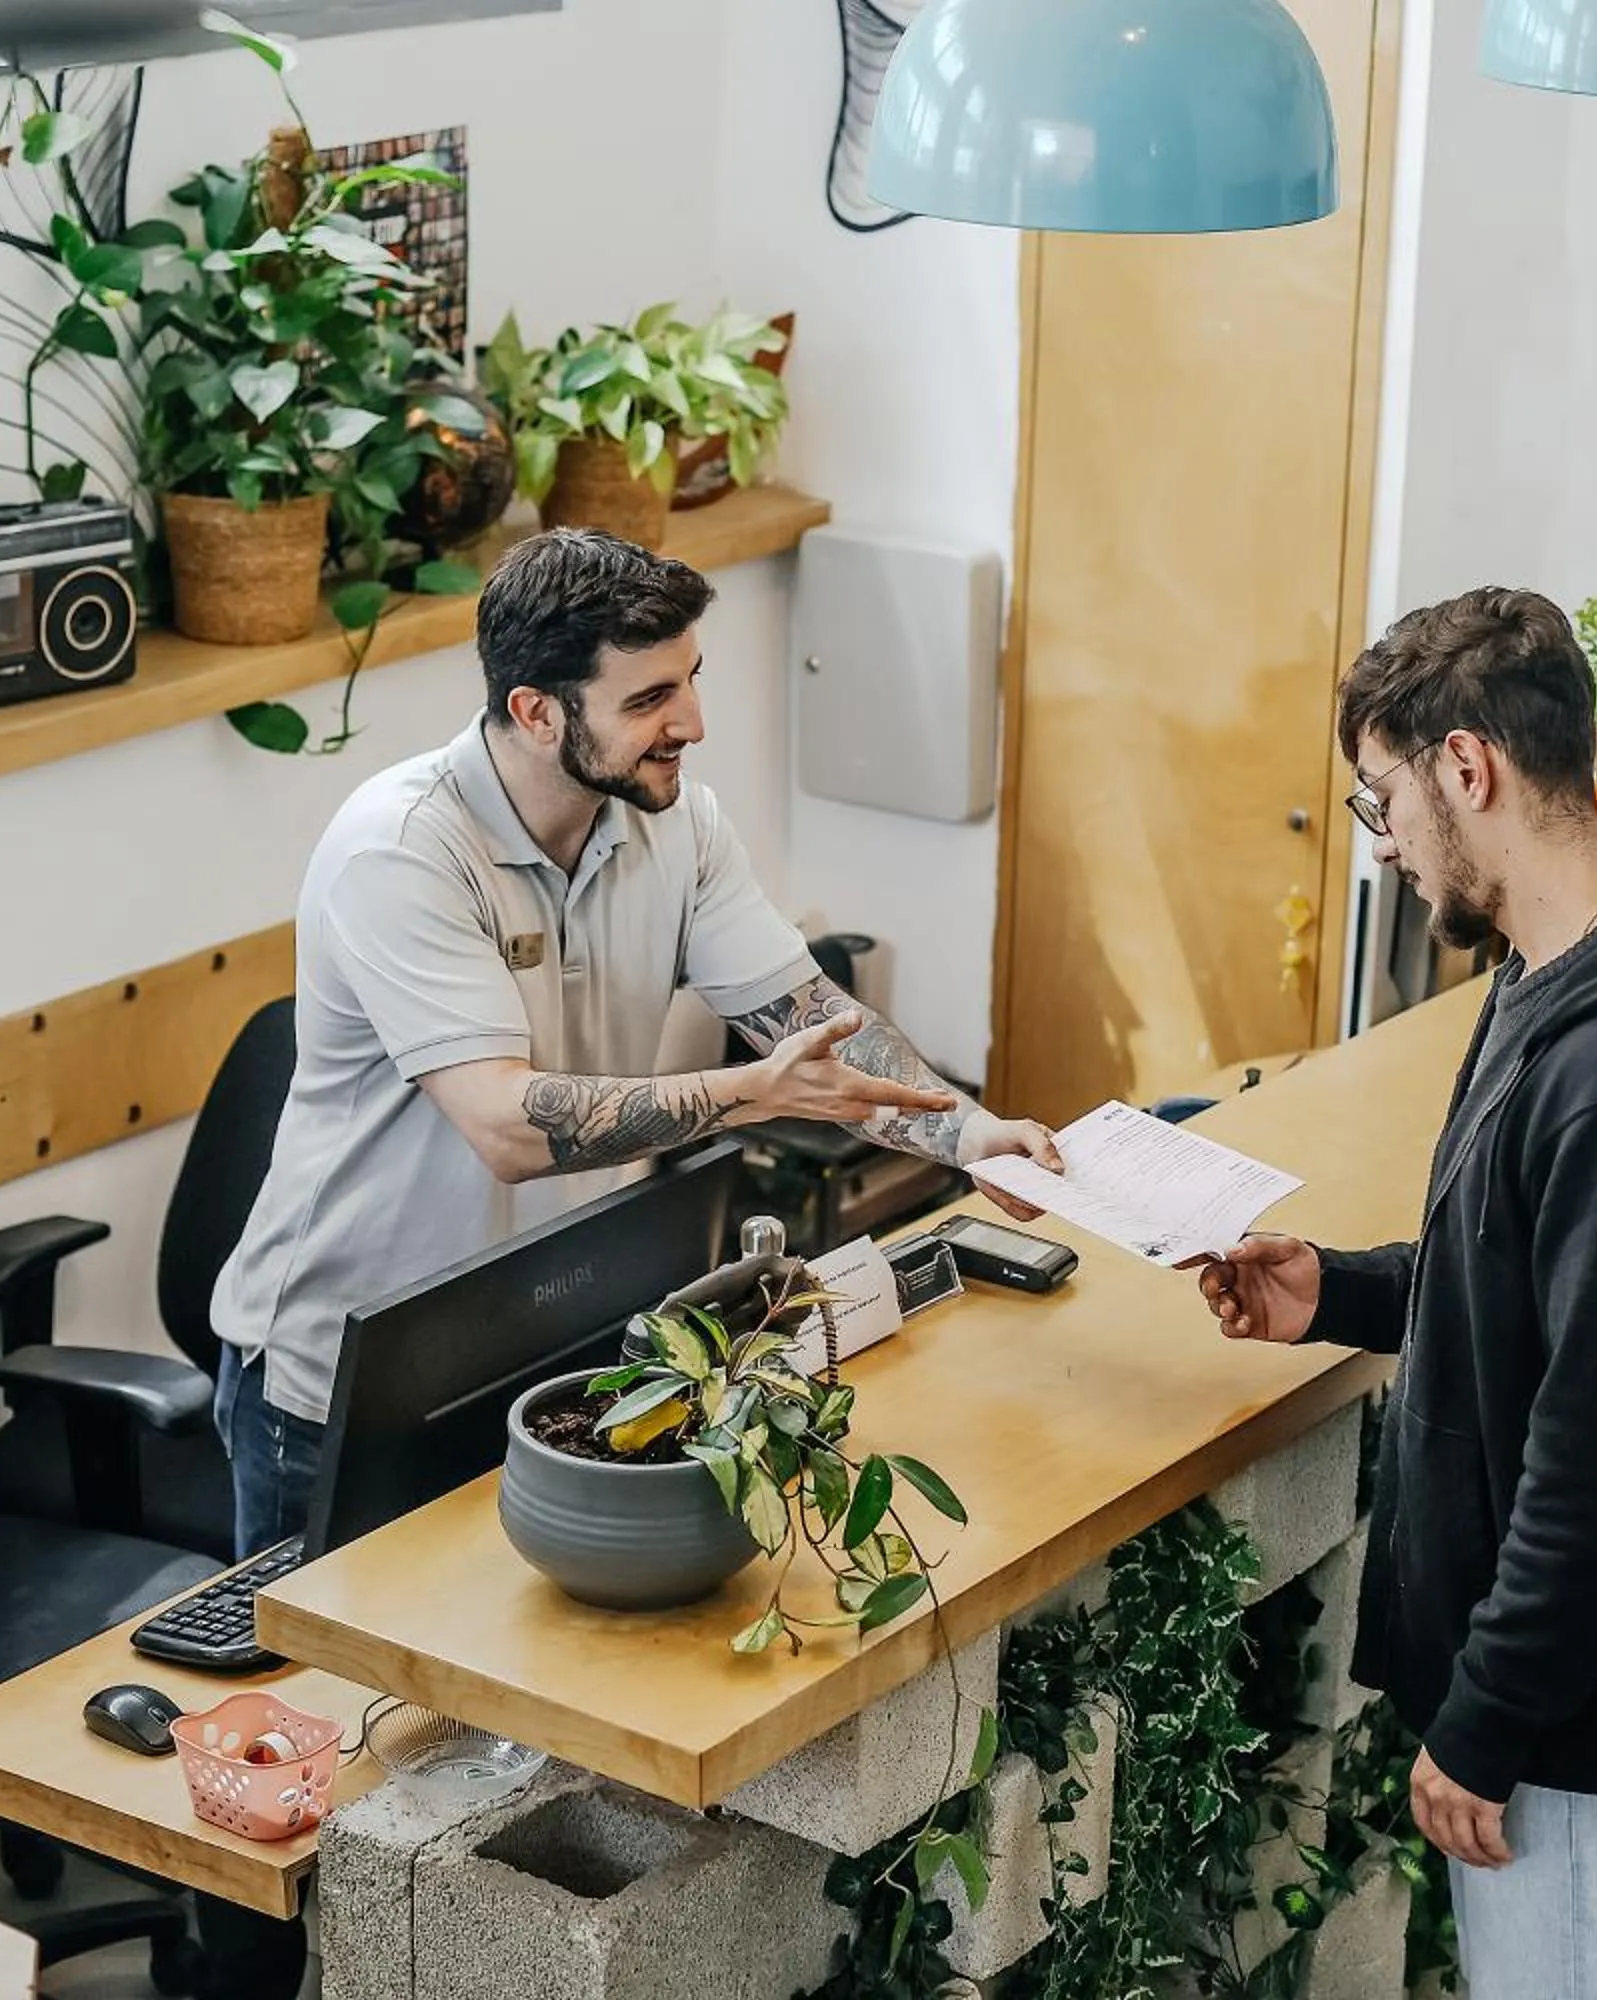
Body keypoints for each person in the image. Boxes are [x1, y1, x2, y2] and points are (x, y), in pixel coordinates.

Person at [1198, 587, 1597, 1996]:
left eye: (1382, 804)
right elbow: (1532, 1291)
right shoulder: (1555, 977)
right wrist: (1345, 1294)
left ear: (1467, 769)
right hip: (1558, 1695)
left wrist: (1488, 1720)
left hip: (1575, 1716)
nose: (1384, 849)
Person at [210, 527, 1060, 1557]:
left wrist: (971, 1136)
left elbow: (808, 1018)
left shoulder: (676, 825)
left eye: (690, 680)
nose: (692, 722)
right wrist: (753, 1092)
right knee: (344, 1711)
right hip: (340, 1378)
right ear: (536, 710)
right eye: (650, 698)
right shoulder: (400, 852)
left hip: (544, 1340)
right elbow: (507, 1124)